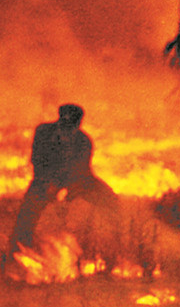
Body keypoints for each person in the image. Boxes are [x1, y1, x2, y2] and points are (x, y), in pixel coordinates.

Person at [7, 104, 119, 257]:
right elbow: (37, 160)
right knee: (29, 209)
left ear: (78, 125)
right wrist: (50, 184)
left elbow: (82, 170)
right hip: (45, 178)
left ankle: (118, 243)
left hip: (77, 180)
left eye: (71, 126)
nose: (67, 129)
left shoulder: (83, 141)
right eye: (64, 124)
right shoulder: (43, 132)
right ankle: (18, 247)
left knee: (110, 200)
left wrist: (67, 189)